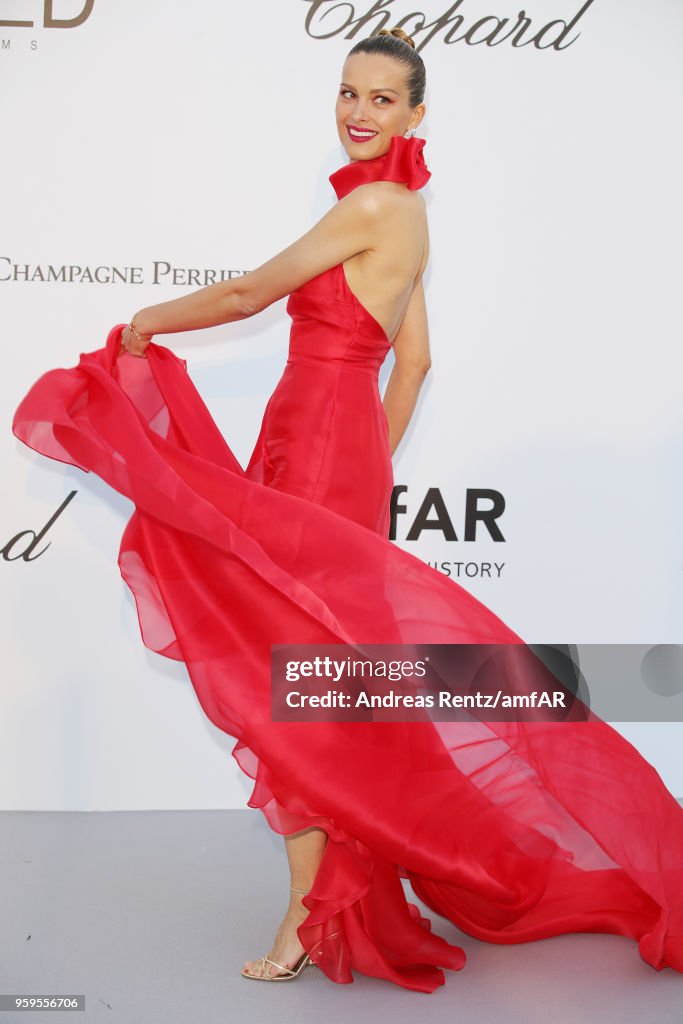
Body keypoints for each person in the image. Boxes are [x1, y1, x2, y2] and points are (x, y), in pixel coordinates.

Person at [12, 28, 683, 994]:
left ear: (417, 114)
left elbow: (252, 292)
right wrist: (369, 458)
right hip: (339, 451)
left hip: (315, 446)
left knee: (296, 689)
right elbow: (412, 362)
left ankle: (303, 912)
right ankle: (349, 885)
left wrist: (146, 323)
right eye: (347, 93)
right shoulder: (407, 213)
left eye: (381, 98)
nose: (359, 112)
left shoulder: (372, 204)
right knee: (328, 684)